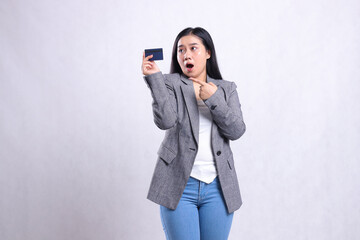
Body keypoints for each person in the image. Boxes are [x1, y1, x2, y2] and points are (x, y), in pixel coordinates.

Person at [141, 27, 246, 240]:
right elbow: (166, 121)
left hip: (219, 187)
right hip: (178, 184)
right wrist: (154, 79)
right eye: (181, 50)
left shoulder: (226, 89)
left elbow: (236, 130)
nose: (186, 54)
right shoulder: (169, 83)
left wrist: (213, 99)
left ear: (208, 53)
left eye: (193, 48)